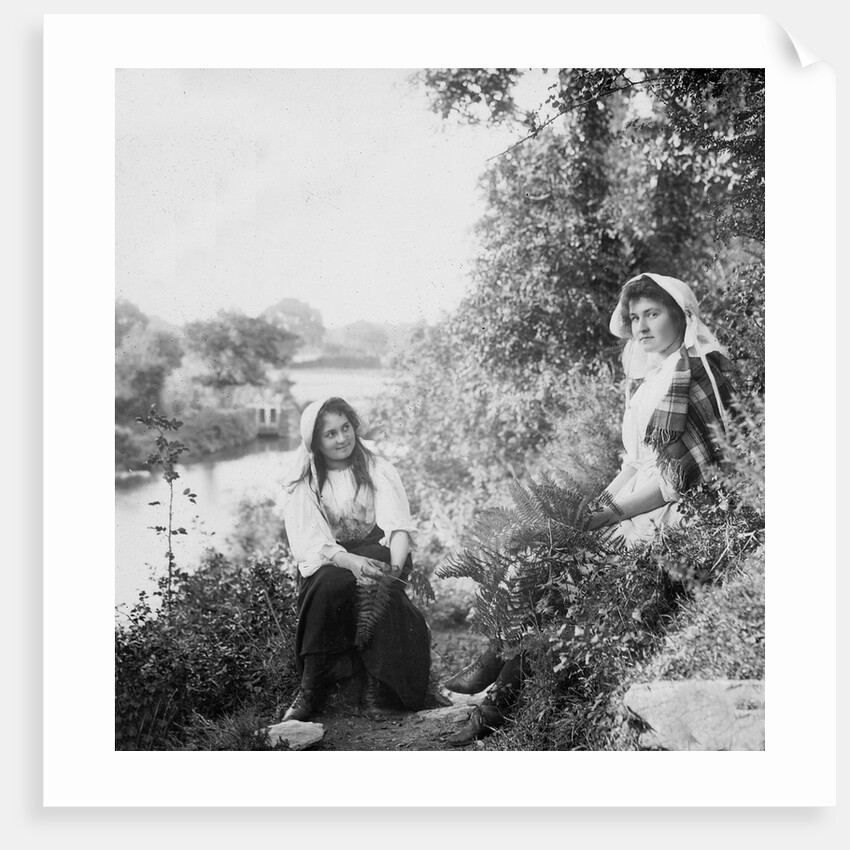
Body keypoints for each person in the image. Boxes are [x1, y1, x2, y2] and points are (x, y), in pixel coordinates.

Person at [444, 273, 737, 746]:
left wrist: (613, 514)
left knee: (565, 569)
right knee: (546, 544)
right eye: (635, 318)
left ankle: (499, 697)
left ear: (682, 316)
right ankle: (496, 661)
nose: (642, 327)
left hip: (677, 510)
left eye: (653, 314)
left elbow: (677, 478)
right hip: (635, 500)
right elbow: (633, 463)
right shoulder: (651, 377)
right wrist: (596, 507)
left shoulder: (698, 372)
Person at [281, 396, 431, 722]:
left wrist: (394, 571)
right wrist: (351, 562)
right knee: (326, 582)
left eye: (345, 428)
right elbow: (313, 543)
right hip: (331, 558)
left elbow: (398, 528)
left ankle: (380, 688)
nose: (342, 439)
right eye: (330, 434)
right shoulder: (306, 480)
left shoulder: (376, 468)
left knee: (377, 578)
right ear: (316, 443)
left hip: (379, 549)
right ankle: (310, 687)